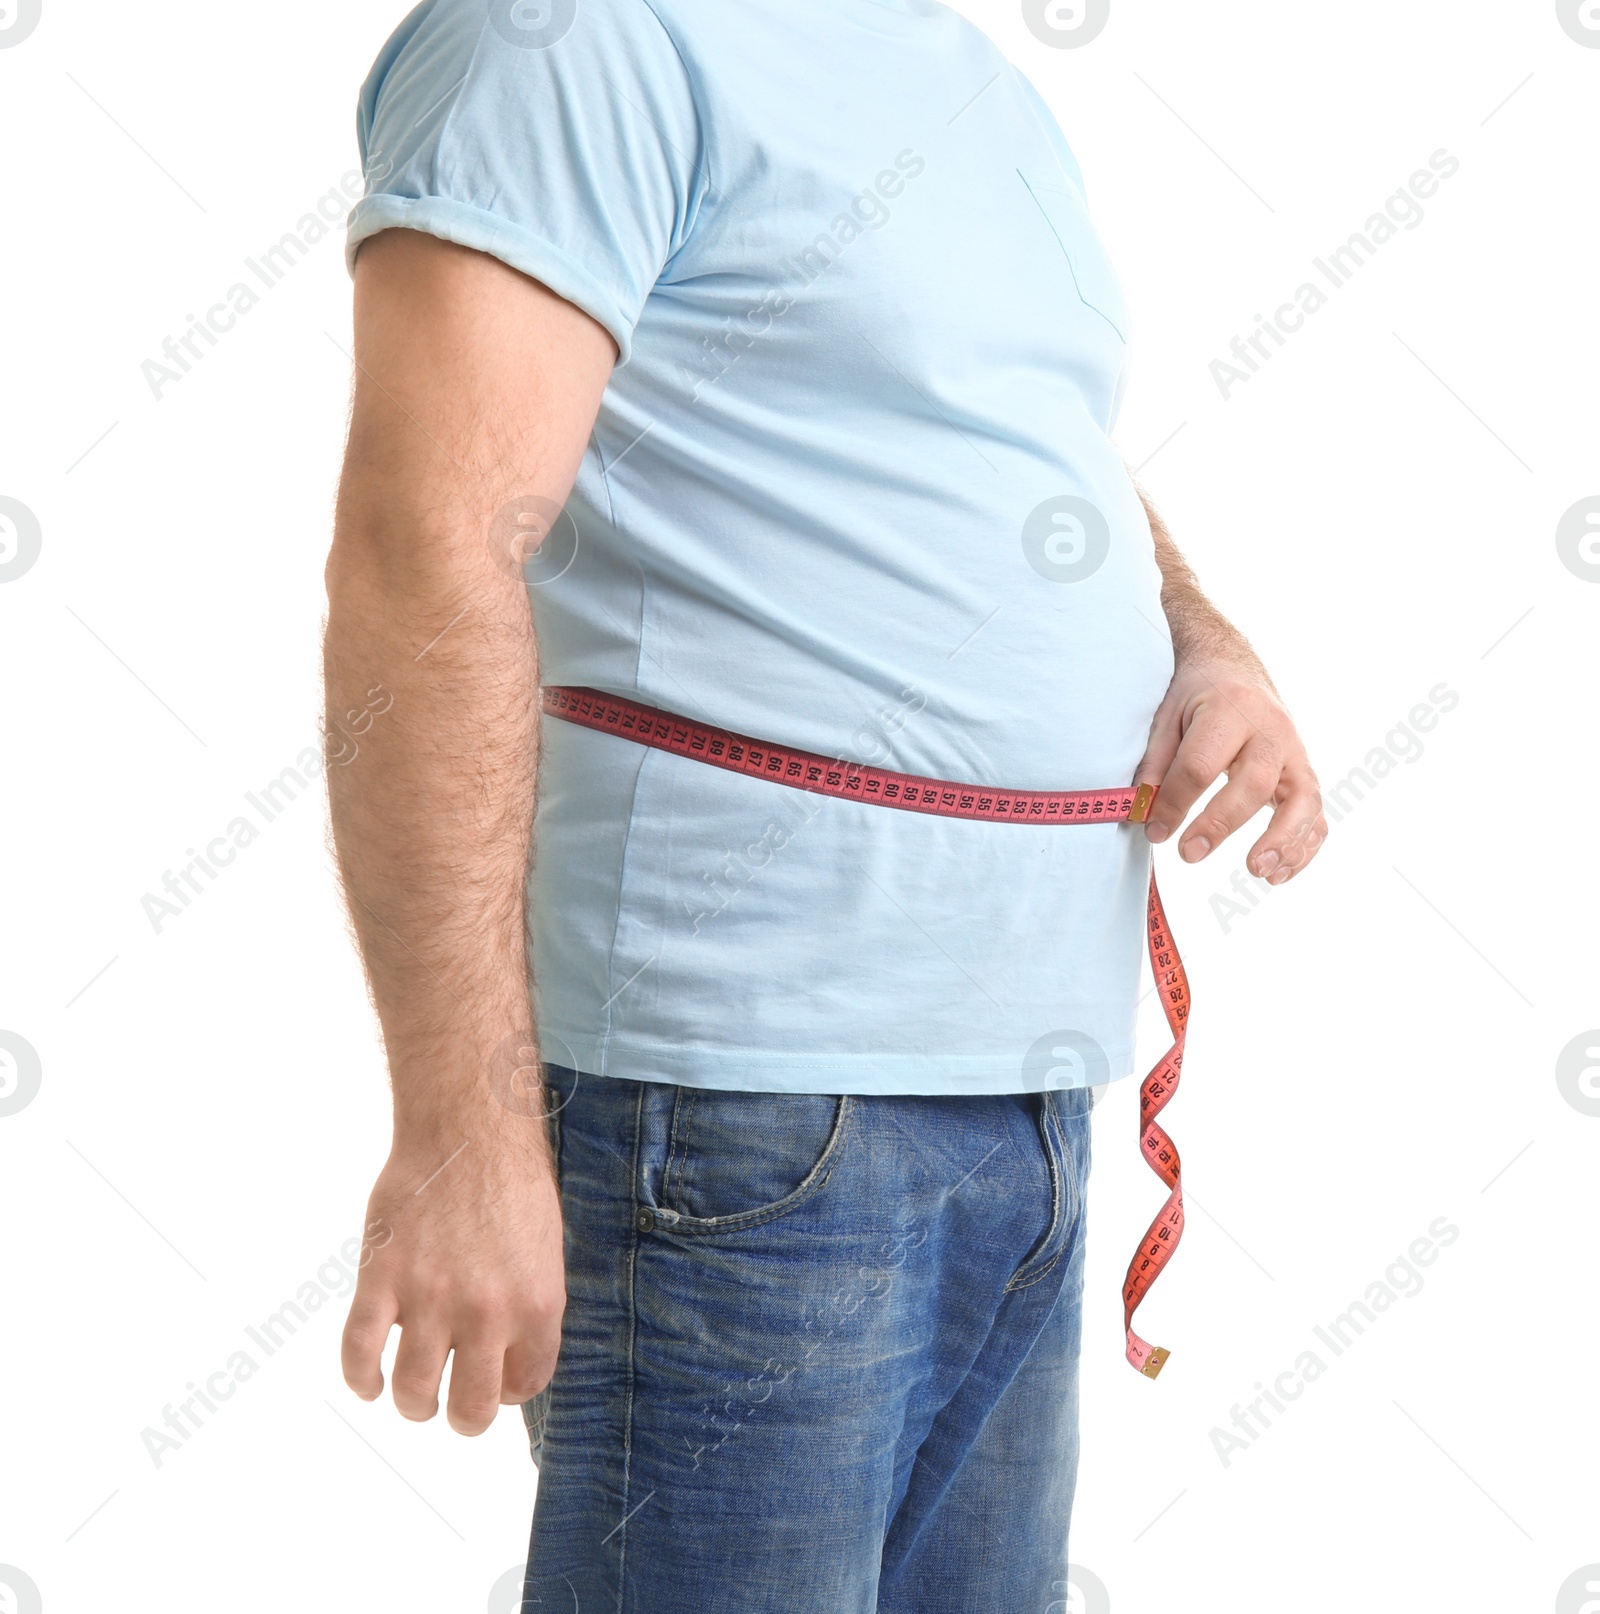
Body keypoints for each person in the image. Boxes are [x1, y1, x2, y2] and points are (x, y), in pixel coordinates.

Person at [324, 0, 1326, 1607]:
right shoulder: (577, 41)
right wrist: (464, 1130)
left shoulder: (974, 82)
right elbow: (421, 549)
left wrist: (1202, 637)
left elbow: (1003, 438)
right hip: (742, 1097)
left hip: (1029, 1079)